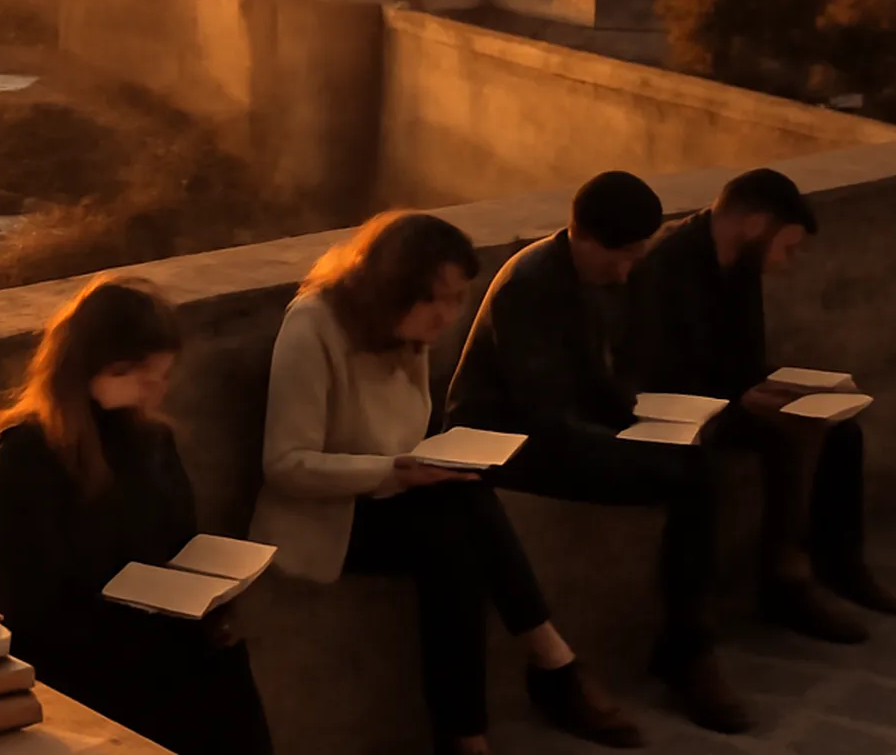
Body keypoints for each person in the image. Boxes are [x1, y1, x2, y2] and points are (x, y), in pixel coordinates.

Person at [250, 211, 644, 755]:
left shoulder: (405, 332)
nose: (450, 315)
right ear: (394, 287)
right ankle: (549, 668)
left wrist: (419, 465)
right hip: (328, 514)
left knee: (460, 519)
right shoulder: (312, 327)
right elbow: (285, 464)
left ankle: (470, 733)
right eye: (439, 299)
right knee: (454, 530)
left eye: (459, 298)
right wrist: (391, 471)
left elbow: (406, 435)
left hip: (395, 492)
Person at [445, 172, 750, 735]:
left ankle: (687, 645)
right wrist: (630, 442)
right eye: (622, 255)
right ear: (583, 236)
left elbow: (603, 379)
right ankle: (685, 654)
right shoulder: (529, 284)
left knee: (701, 464)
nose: (627, 269)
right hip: (505, 439)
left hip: (567, 428)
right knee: (686, 479)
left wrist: (656, 419)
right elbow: (545, 415)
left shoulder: (598, 279)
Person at [0, 277, 272, 755]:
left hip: (163, 638)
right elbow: (26, 595)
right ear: (92, 368)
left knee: (226, 676)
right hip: (86, 656)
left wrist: (216, 601)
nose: (156, 390)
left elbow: (181, 543)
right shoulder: (29, 452)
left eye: (162, 375)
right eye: (142, 376)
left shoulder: (153, 440)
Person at [624, 168, 896, 644]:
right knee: (786, 437)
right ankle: (784, 582)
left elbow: (745, 356)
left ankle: (839, 563)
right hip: (674, 407)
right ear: (754, 225)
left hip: (723, 396)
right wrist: (743, 398)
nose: (788, 261)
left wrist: (783, 387)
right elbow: (660, 373)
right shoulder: (668, 266)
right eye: (788, 247)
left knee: (840, 429)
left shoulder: (741, 263)